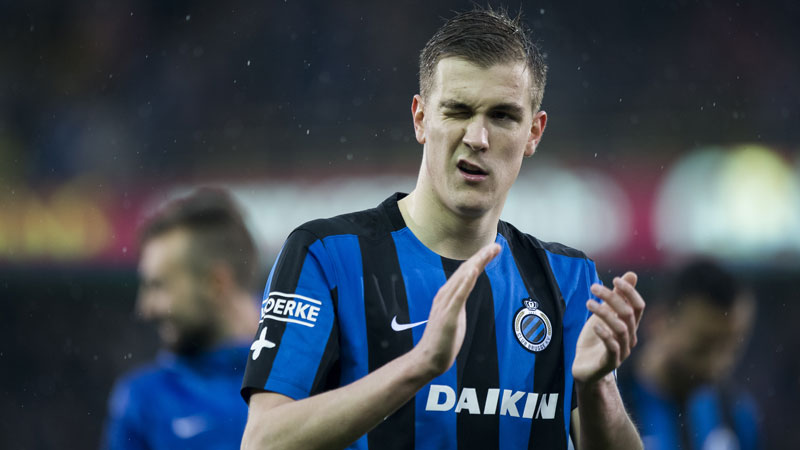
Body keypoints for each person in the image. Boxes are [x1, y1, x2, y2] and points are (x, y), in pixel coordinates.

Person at [240, 8, 645, 450]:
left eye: (503, 116)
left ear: (534, 132)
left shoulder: (569, 279)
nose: (478, 137)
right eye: (458, 111)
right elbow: (263, 441)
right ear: (420, 118)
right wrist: (420, 366)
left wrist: (597, 386)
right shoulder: (327, 255)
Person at [102, 188, 261, 449]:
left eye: (159, 286)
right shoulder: (145, 401)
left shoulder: (308, 376)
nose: (144, 308)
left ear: (217, 284)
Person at [620, 258, 760, 450]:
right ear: (658, 322)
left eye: (732, 348)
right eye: (702, 347)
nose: (718, 363)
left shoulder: (736, 415)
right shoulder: (613, 404)